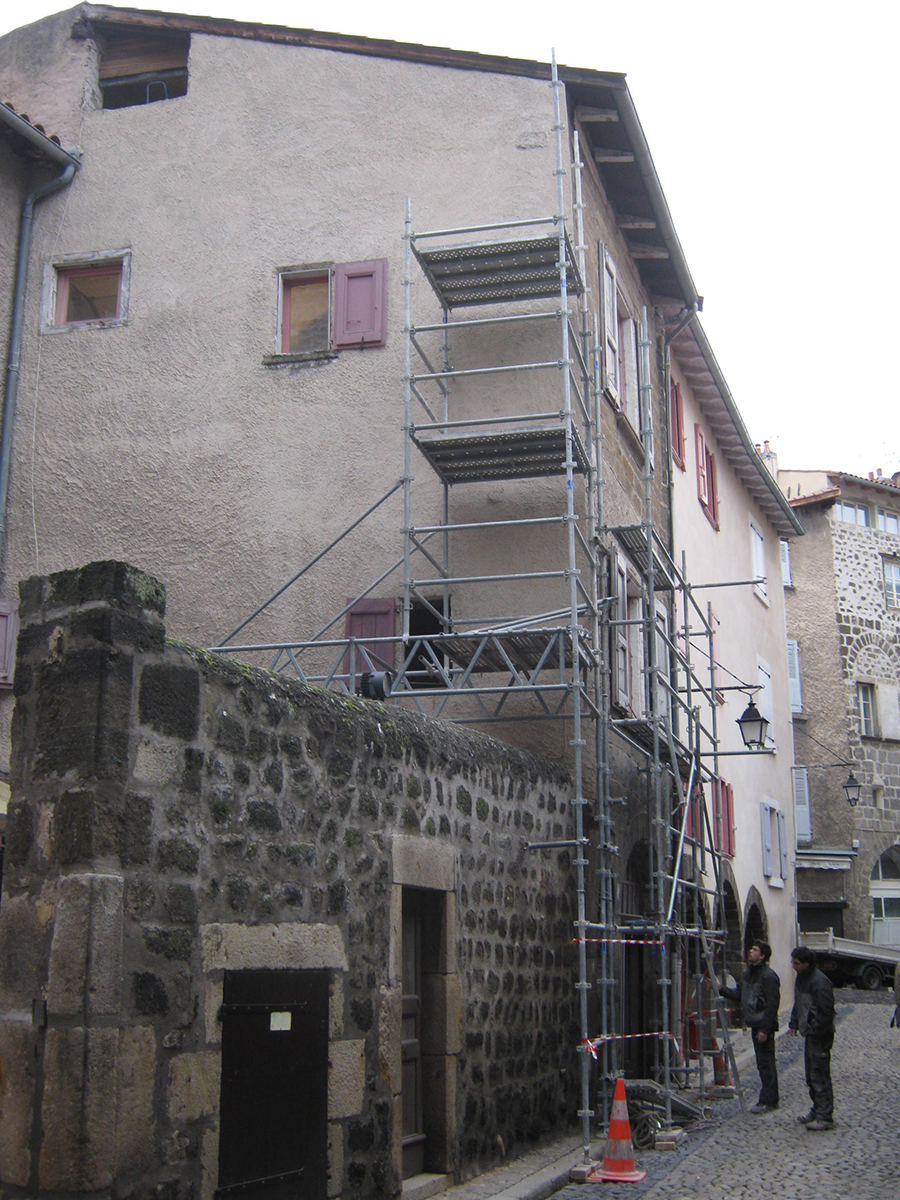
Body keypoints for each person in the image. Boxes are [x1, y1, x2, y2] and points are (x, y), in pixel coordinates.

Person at [719, 940, 780, 1112]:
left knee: (766, 1063)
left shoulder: (769, 976)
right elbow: (739, 994)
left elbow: (772, 1005)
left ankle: (770, 1100)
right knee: (762, 1063)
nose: (750, 951)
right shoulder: (748, 974)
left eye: (754, 950)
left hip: (763, 1025)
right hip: (755, 1024)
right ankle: (767, 1098)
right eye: (751, 948)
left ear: (762, 956)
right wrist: (720, 989)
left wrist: (765, 1030)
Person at [788, 946, 836, 1131]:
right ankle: (817, 1109)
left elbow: (826, 1011)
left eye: (797, 963)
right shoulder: (802, 978)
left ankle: (825, 1116)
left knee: (819, 1075)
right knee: (811, 1075)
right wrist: (794, 1022)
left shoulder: (820, 982)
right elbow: (798, 1002)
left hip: (820, 1035)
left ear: (807, 963)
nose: (793, 966)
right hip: (811, 1033)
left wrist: (816, 1030)